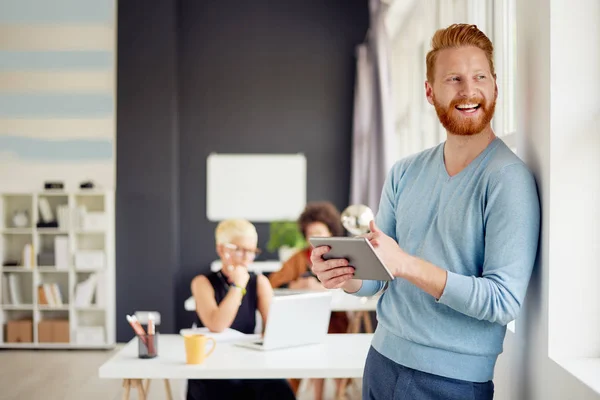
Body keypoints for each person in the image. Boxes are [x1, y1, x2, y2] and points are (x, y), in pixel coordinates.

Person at [310, 24, 541, 400]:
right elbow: (380, 273)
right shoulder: (405, 171)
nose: (469, 91)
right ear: (430, 92)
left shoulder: (508, 180)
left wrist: (406, 265)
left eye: (479, 77)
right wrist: (342, 275)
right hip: (381, 362)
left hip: (452, 383)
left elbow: (502, 301)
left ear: (495, 86)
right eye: (454, 79)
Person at [188, 219, 296, 400]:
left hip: (247, 361)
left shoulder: (259, 282)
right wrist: (238, 286)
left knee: (279, 389)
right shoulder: (202, 283)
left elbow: (274, 329)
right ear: (221, 249)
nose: (247, 258)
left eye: (252, 251)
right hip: (212, 365)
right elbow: (217, 324)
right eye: (240, 250)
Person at [268, 201, 350, 400]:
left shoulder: (343, 255)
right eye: (311, 235)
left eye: (321, 232)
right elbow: (273, 283)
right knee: (312, 350)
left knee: (337, 349)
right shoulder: (299, 258)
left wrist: (323, 286)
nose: (317, 239)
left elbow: (353, 285)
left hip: (336, 319)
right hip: (307, 319)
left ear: (331, 232)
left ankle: (340, 392)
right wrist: (296, 285)